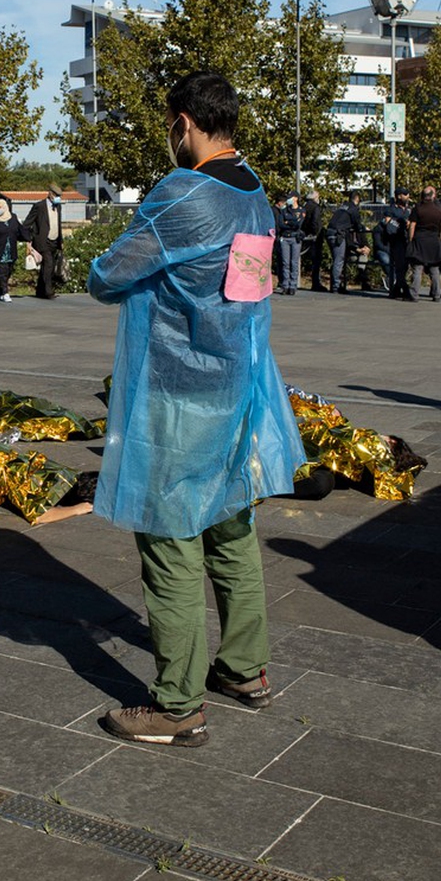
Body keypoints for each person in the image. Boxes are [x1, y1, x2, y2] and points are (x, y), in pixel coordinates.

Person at [88, 70, 305, 748]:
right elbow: (248, 294)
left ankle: (177, 704)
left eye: (168, 126)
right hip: (236, 388)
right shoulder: (256, 193)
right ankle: (245, 669)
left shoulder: (182, 192)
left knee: (171, 535)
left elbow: (109, 275)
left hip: (178, 391)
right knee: (230, 526)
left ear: (184, 122)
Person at [406, 184, 441, 301]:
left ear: (423, 196)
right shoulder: (439, 210)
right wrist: (439, 238)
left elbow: (412, 226)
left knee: (418, 268)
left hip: (420, 239)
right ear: (432, 196)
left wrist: (411, 239)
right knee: (434, 269)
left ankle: (414, 294)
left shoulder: (418, 208)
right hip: (434, 240)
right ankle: (436, 294)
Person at [24, 183, 65, 298]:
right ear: (50, 194)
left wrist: (60, 241)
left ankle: (40, 291)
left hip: (54, 241)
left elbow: (58, 224)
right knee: (48, 264)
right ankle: (48, 292)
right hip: (42, 241)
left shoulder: (58, 206)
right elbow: (27, 222)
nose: (58, 198)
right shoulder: (39, 206)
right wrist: (28, 240)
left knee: (47, 266)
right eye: (56, 195)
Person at [325, 190, 369, 294]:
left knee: (336, 260)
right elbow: (357, 225)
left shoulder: (342, 207)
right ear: (357, 199)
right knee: (339, 260)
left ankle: (335, 284)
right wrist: (363, 228)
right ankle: (336, 286)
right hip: (338, 235)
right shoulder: (353, 209)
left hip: (330, 233)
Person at [382, 190, 414, 299]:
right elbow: (388, 222)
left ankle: (395, 290)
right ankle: (406, 291)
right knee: (400, 266)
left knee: (404, 267)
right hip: (396, 241)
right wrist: (400, 224)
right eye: (405, 194)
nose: (407, 196)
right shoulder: (391, 209)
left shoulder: (409, 210)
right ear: (399, 196)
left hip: (406, 241)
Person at [274, 193, 305, 295]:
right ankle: (285, 285)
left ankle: (293, 285)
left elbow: (298, 224)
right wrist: (290, 223)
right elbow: (281, 224)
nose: (289, 199)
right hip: (285, 238)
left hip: (295, 238)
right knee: (285, 262)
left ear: (296, 198)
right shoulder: (284, 210)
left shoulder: (301, 210)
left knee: (294, 263)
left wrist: (289, 222)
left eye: (291, 197)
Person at [302, 189, 326, 292]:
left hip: (305, 235)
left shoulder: (304, 206)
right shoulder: (315, 207)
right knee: (316, 260)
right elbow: (315, 222)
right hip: (315, 238)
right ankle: (316, 283)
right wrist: (316, 233)